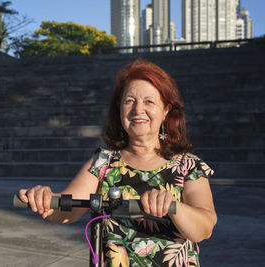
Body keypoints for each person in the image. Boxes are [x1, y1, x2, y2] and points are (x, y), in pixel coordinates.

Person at [18, 59, 217, 267]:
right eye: (129, 101)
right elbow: (67, 210)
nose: (138, 110)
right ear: (119, 108)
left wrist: (173, 207)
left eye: (149, 101)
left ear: (166, 110)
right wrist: (46, 200)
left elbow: (204, 229)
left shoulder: (189, 166)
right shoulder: (103, 162)